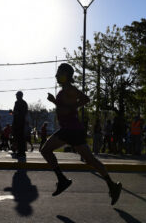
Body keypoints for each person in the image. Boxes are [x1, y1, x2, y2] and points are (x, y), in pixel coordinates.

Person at [40, 63, 122, 205]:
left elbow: (80, 102)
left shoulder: (69, 89)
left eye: (59, 72)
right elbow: (75, 103)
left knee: (45, 150)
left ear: (66, 75)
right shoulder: (66, 90)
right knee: (91, 160)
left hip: (70, 129)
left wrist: (60, 103)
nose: (56, 75)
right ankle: (112, 186)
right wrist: (62, 104)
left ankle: (62, 180)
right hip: (74, 129)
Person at [12, 91, 28, 158]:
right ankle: (21, 152)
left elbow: (23, 113)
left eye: (17, 95)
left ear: (20, 96)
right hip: (17, 122)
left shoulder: (21, 103)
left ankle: (22, 152)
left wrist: (15, 113)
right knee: (19, 138)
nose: (16, 96)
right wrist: (13, 112)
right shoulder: (20, 103)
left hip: (20, 122)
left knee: (20, 138)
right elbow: (16, 112)